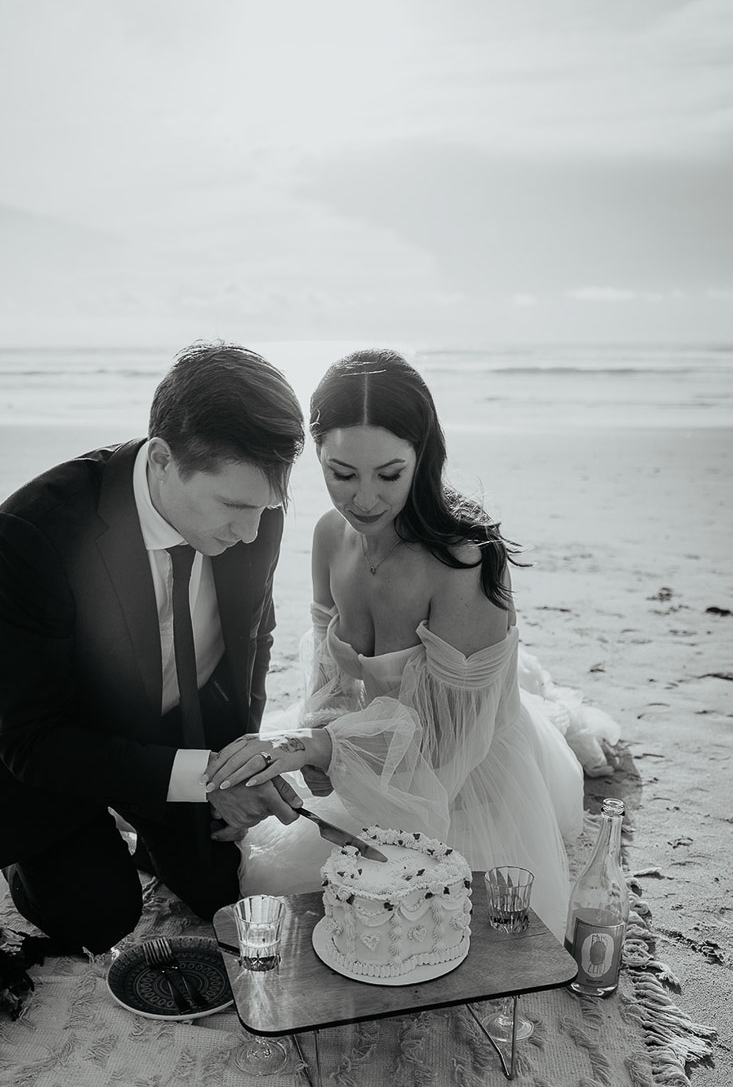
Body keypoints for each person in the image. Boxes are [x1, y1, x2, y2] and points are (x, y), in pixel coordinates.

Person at [207, 349, 618, 939]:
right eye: (341, 474)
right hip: (368, 756)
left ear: (423, 458)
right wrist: (313, 761)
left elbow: (446, 749)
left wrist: (315, 748)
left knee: (419, 926)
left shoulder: (462, 563)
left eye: (389, 474)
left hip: (460, 782)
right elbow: (327, 678)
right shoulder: (329, 535)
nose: (364, 500)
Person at [0, 342, 306, 953]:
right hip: (56, 734)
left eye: (267, 506)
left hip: (170, 723)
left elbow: (251, 639)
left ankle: (152, 818)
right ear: (161, 459)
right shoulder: (31, 532)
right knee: (98, 915)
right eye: (235, 506)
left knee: (220, 892)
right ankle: (32, 851)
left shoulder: (254, 511)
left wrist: (235, 763)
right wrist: (204, 778)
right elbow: (32, 736)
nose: (251, 532)